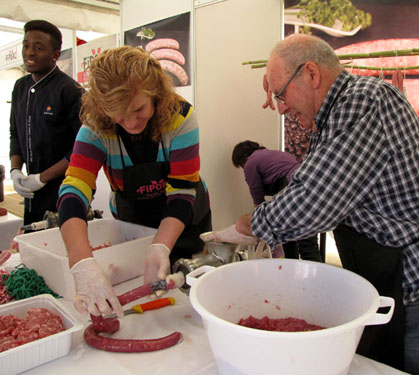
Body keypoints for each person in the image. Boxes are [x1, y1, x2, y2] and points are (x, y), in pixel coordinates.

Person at [201, 34, 419, 375]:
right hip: (400, 271)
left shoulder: (363, 101)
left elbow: (313, 198)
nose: (281, 107)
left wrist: (245, 226)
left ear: (312, 75)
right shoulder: (334, 116)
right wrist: (280, 82)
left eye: (281, 94)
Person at [57, 46, 211, 318]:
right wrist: (81, 262)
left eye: (138, 109)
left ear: (155, 92)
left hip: (183, 219)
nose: (130, 122)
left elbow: (183, 190)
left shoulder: (181, 117)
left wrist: (161, 246)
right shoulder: (95, 124)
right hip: (132, 221)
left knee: (186, 301)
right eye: (118, 114)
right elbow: (74, 189)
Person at [9, 20, 83, 225]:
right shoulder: (20, 87)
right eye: (26, 46)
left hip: (63, 192)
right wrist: (16, 171)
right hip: (31, 197)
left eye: (38, 48)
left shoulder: (70, 91)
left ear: (55, 55)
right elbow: (15, 131)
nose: (29, 52)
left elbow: (81, 148)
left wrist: (41, 178)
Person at [232, 140, 322, 262]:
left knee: (301, 243)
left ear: (241, 159)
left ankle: (296, 271)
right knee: (303, 239)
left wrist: (258, 226)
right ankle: (302, 271)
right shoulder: (272, 155)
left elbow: (257, 197)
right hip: (310, 186)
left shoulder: (251, 162)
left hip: (292, 188)